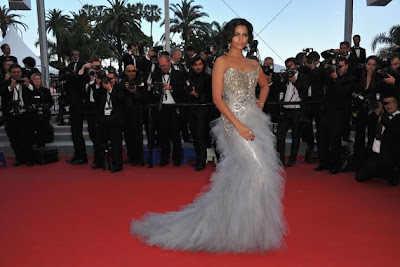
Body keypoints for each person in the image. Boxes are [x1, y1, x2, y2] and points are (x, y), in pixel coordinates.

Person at [131, 18, 286, 253]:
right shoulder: (222, 61)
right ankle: (234, 228)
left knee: (252, 175)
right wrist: (238, 125)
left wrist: (260, 104)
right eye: (237, 34)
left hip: (255, 121)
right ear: (229, 37)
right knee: (258, 172)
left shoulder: (253, 63)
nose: (241, 39)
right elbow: (217, 98)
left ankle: (245, 229)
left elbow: (265, 85)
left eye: (245, 35)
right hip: (233, 124)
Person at [314, 57, 355, 174]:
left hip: (340, 113)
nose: (339, 69)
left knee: (335, 140)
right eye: (337, 66)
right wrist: (324, 67)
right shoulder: (331, 76)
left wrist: (336, 80)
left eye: (341, 66)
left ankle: (335, 165)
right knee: (322, 138)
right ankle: (323, 163)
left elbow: (344, 93)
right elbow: (319, 78)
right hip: (327, 111)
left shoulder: (350, 78)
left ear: (347, 66)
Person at [355, 95, 400, 186]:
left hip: (391, 156)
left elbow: (394, 129)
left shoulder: (396, 117)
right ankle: (386, 172)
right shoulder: (381, 116)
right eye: (386, 103)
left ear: (398, 103)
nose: (389, 105)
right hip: (376, 153)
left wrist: (382, 116)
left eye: (392, 102)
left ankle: (392, 172)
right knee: (360, 176)